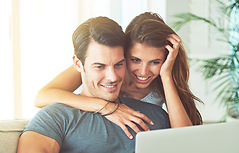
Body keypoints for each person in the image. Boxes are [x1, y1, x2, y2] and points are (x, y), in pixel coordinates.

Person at [16, 16, 208, 153]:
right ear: (78, 64)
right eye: (99, 66)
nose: (112, 76)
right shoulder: (58, 114)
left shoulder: (155, 113)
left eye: (118, 65)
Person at [34, 12, 203, 140]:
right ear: (123, 53)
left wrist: (166, 75)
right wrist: (106, 107)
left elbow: (185, 138)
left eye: (155, 62)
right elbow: (42, 97)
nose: (143, 72)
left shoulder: (163, 80)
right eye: (135, 60)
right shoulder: (106, 67)